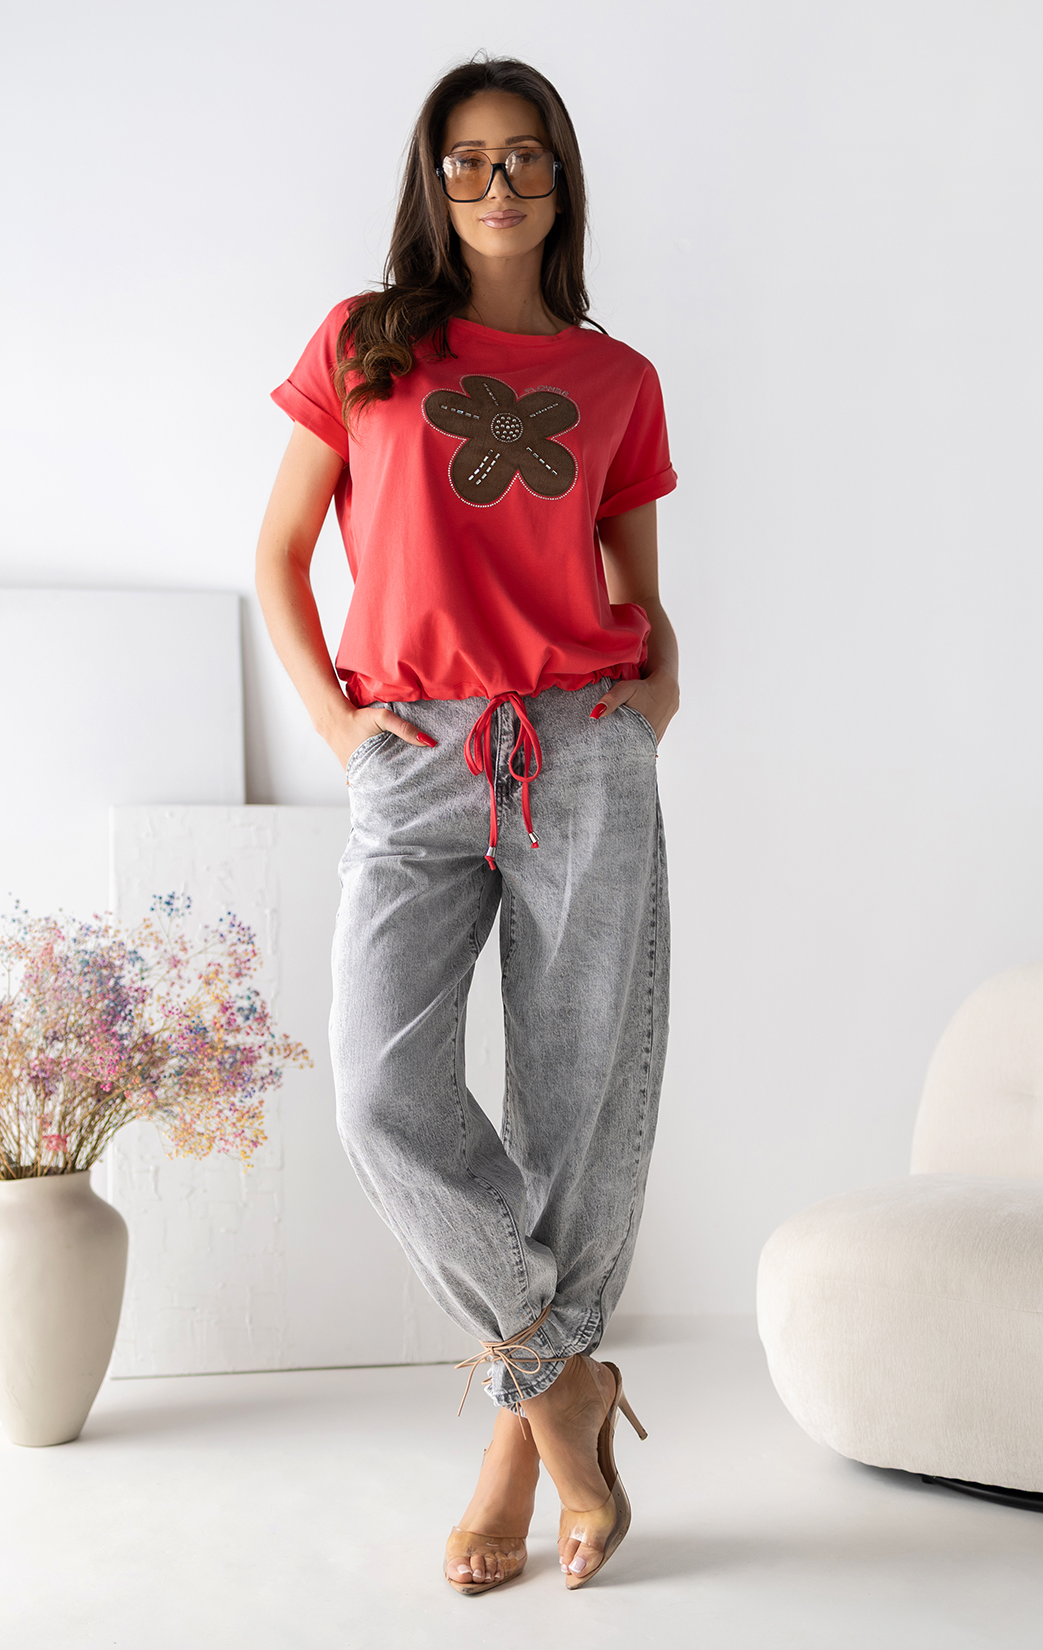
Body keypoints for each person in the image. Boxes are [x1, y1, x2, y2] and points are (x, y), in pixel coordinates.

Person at [255, 54, 679, 1594]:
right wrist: (333, 722)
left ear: (562, 177)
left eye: (526, 157)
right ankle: (569, 1392)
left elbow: (635, 584)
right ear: (433, 184)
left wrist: (657, 687)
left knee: (577, 1116)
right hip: (417, 751)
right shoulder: (366, 344)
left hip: (580, 750)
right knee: (381, 1090)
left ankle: (518, 1451)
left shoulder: (616, 380)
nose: (500, 185)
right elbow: (281, 551)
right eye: (469, 160)